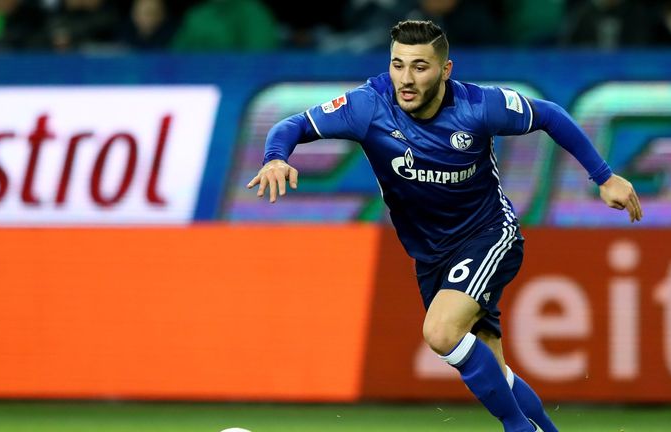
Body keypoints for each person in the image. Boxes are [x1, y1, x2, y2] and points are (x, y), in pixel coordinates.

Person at [247, 20, 642, 432]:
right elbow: (290, 125)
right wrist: (275, 157)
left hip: (489, 234)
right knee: (496, 369)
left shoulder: (477, 106)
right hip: (431, 255)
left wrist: (605, 176)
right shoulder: (368, 106)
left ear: (445, 70)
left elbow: (550, 115)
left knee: (440, 331)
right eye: (398, 65)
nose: (406, 78)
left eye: (420, 67)